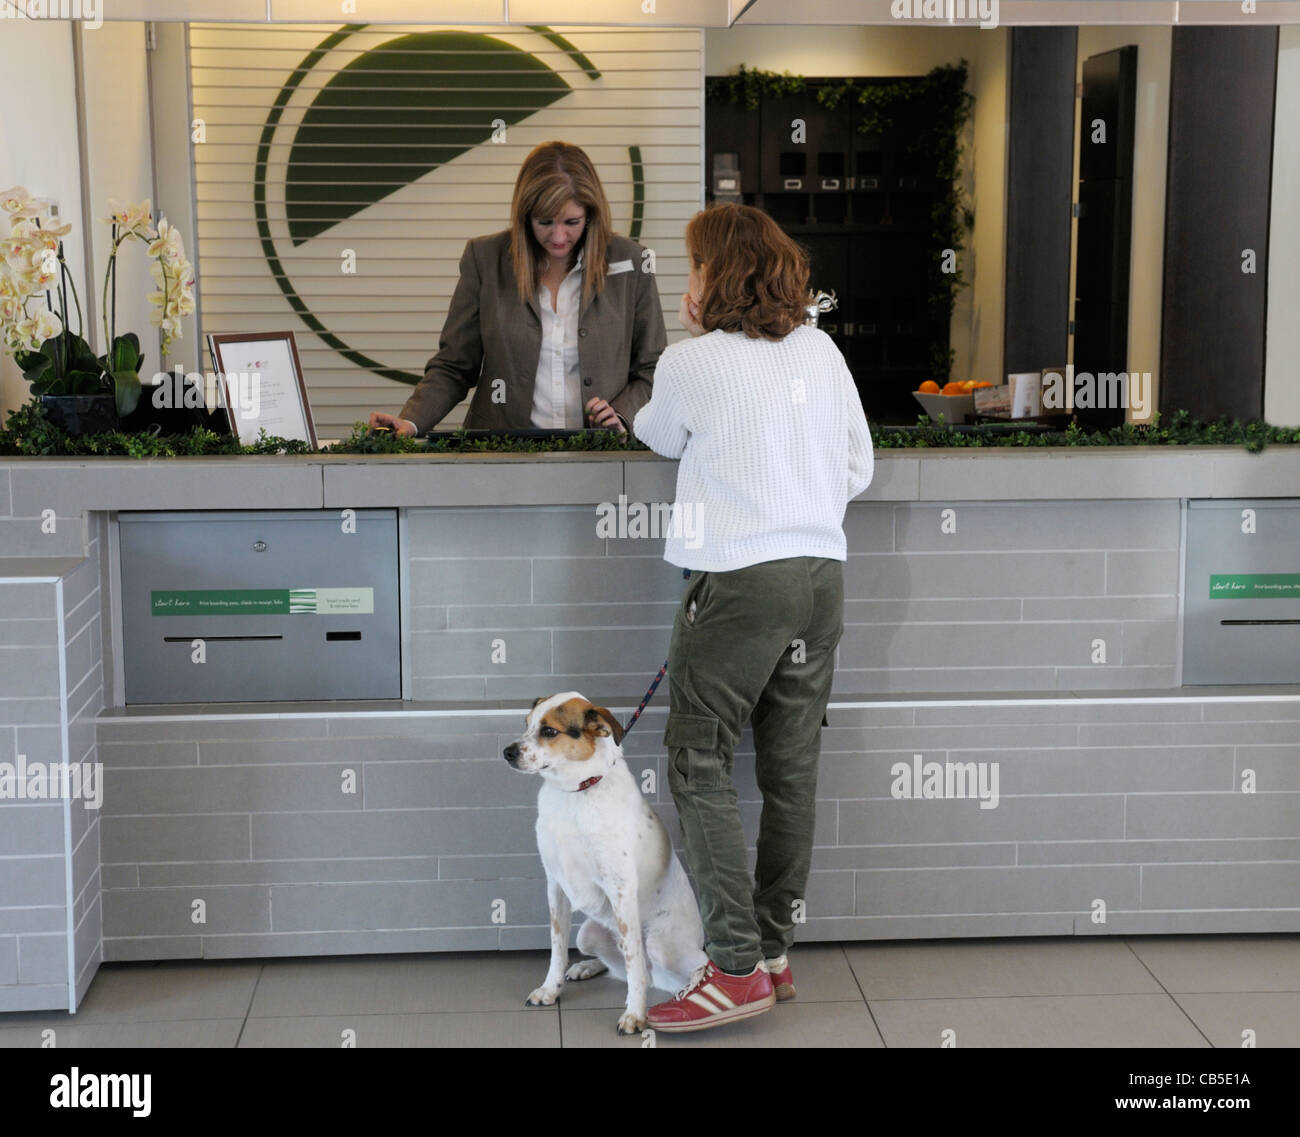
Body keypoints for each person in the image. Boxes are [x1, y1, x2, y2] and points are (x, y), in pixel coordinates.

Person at [631, 202, 874, 1033]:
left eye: (693, 268)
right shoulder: (822, 348)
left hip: (740, 580)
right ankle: (771, 951)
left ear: (718, 277)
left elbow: (656, 435)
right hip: (821, 576)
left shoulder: (693, 363)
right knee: (790, 768)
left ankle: (732, 967)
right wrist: (794, 499)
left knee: (697, 760)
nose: (685, 282)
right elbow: (859, 465)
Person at [368, 141, 666, 437]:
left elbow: (652, 369)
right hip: (501, 457)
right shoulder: (485, 259)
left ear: (591, 214)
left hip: (599, 460)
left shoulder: (631, 262)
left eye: (572, 222)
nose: (559, 237)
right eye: (544, 222)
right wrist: (411, 422)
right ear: (525, 216)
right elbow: (454, 367)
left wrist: (621, 416)